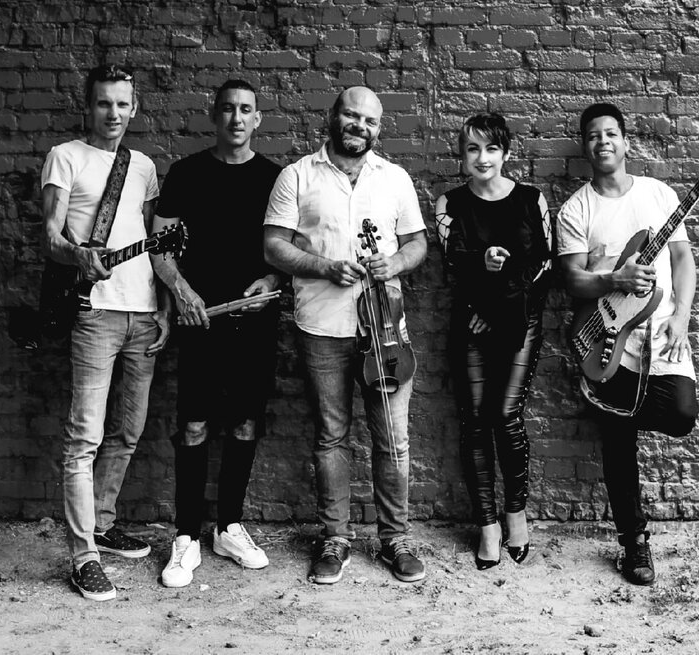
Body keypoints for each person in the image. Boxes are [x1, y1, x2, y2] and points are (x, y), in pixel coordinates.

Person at [263, 86, 428, 584]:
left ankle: (395, 537)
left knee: (393, 438)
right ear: (333, 117)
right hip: (323, 326)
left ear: (379, 128)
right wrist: (324, 266)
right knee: (330, 437)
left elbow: (417, 244)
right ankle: (335, 537)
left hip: (385, 328)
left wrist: (394, 263)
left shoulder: (394, 178)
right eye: (352, 116)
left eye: (370, 121)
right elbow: (274, 246)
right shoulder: (297, 176)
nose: (360, 126)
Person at [41, 64, 169, 601]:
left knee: (128, 431)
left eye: (122, 104)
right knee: (84, 438)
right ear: (87, 106)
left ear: (133, 108)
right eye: (103, 103)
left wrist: (165, 307)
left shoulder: (144, 167)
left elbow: (154, 245)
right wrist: (77, 255)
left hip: (144, 313)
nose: (113, 113)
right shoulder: (65, 157)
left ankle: (102, 522)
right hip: (95, 312)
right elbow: (50, 236)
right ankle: (83, 557)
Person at [556, 102, 699, 586]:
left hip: (661, 332)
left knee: (681, 414)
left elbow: (682, 259)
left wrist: (681, 314)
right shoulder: (577, 209)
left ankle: (615, 409)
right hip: (608, 336)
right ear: (585, 146)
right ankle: (633, 542)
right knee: (619, 445)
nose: (603, 142)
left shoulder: (658, 194)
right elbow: (572, 280)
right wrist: (613, 278)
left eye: (611, 133)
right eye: (593, 135)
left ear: (626, 142)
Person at [150, 80, 282, 588]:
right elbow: (159, 247)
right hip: (199, 319)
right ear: (214, 115)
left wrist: (271, 279)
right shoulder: (187, 173)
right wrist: (181, 292)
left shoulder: (275, 178)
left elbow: (289, 246)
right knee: (194, 426)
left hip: (255, 320)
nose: (236, 118)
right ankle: (186, 535)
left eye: (246, 109)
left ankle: (228, 527)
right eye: (227, 109)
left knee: (245, 423)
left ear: (257, 119)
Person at [434, 113, 552, 570]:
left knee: (506, 415)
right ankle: (487, 525)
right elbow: (455, 265)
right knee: (476, 421)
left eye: (491, 148)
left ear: (505, 152)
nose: (482, 158)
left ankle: (515, 515)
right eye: (472, 149)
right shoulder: (449, 204)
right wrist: (484, 268)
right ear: (462, 155)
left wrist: (500, 312)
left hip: (520, 322)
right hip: (471, 324)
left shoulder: (531, 199)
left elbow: (545, 266)